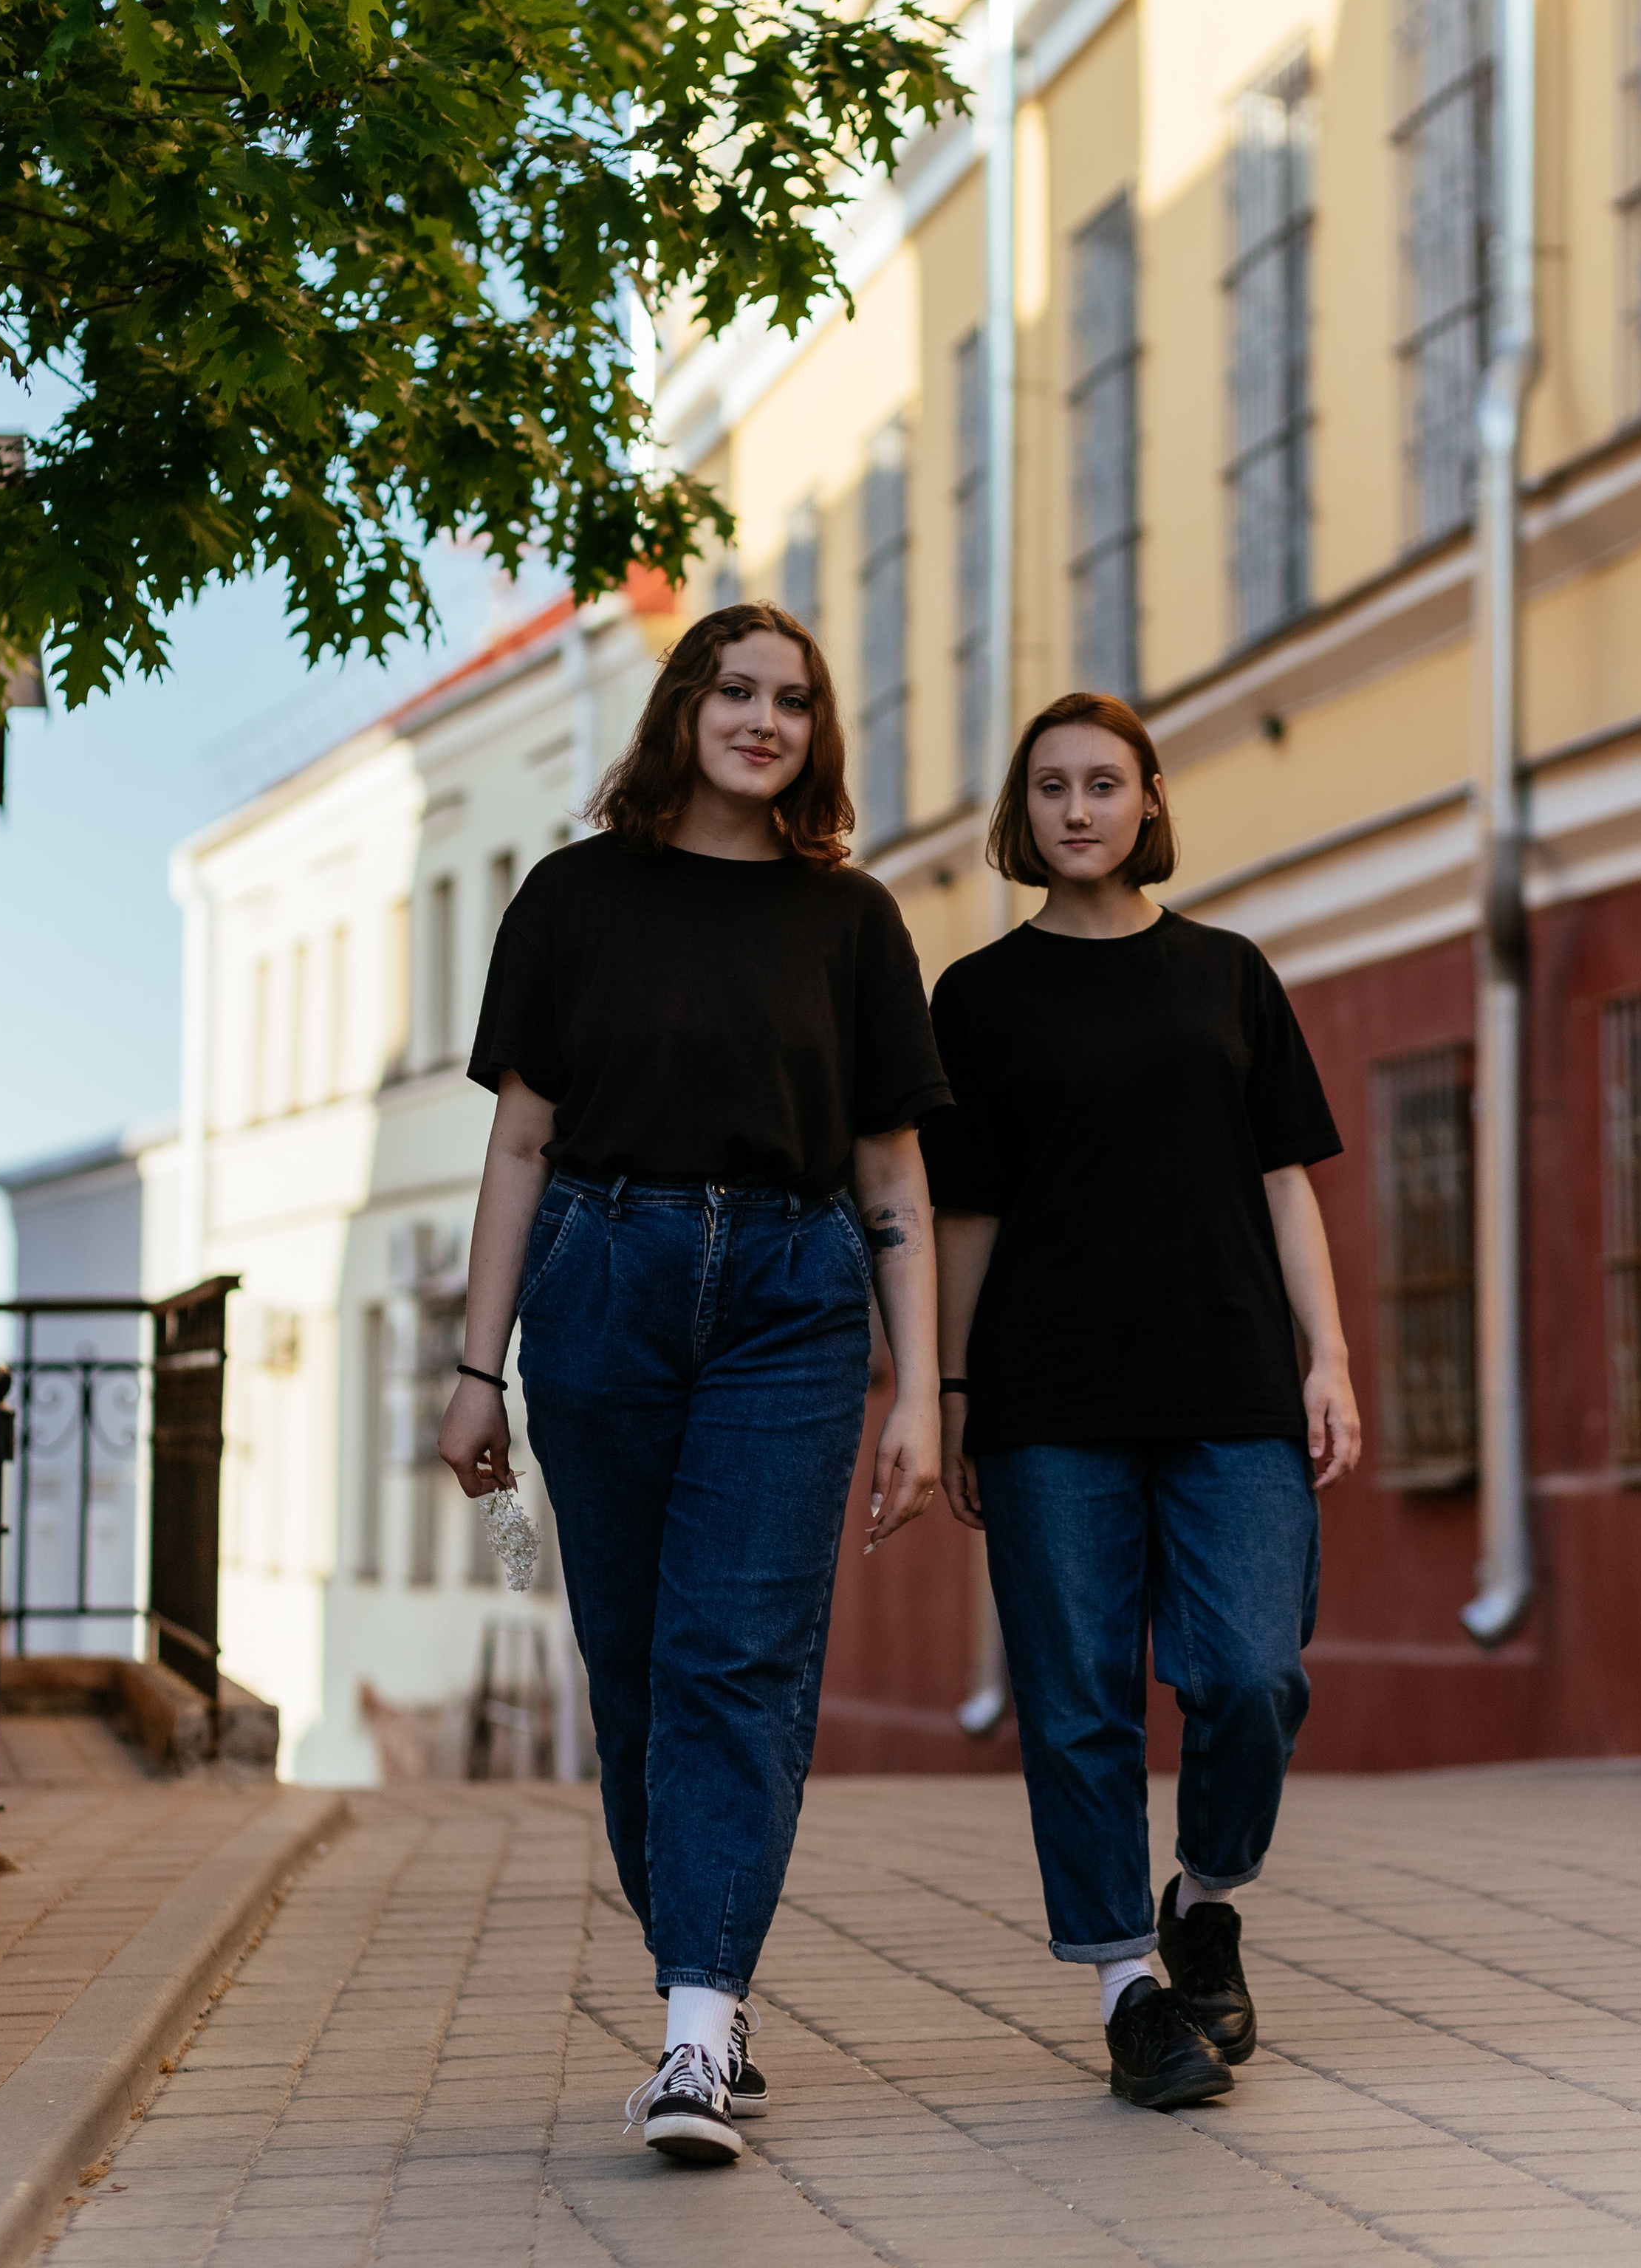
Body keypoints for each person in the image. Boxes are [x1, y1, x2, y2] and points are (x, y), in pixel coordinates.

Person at [437, 600, 947, 2165]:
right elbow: (520, 1146)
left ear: (816, 733)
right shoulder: (571, 898)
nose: (763, 720)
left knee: (736, 1657)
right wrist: (475, 1369)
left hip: (794, 1298)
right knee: (638, 1671)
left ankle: (695, 2030)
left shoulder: (851, 920)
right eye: (736, 690)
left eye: (792, 700)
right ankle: (704, 1976)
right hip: (603, 1279)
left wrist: (922, 1391)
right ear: (683, 707)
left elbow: (891, 1175)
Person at [923, 691, 1360, 2113]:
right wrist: (954, 1389)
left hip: (1231, 1380)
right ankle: (1129, 1993)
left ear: (1151, 801)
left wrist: (1329, 1356)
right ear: (1023, 812)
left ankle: (1205, 1898)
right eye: (1050, 786)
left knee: (1252, 1675)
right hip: (1050, 1398)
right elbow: (967, 1215)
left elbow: (1285, 1182)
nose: (1078, 809)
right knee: (1078, 1703)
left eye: (1104, 783)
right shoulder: (977, 998)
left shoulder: (1229, 974)